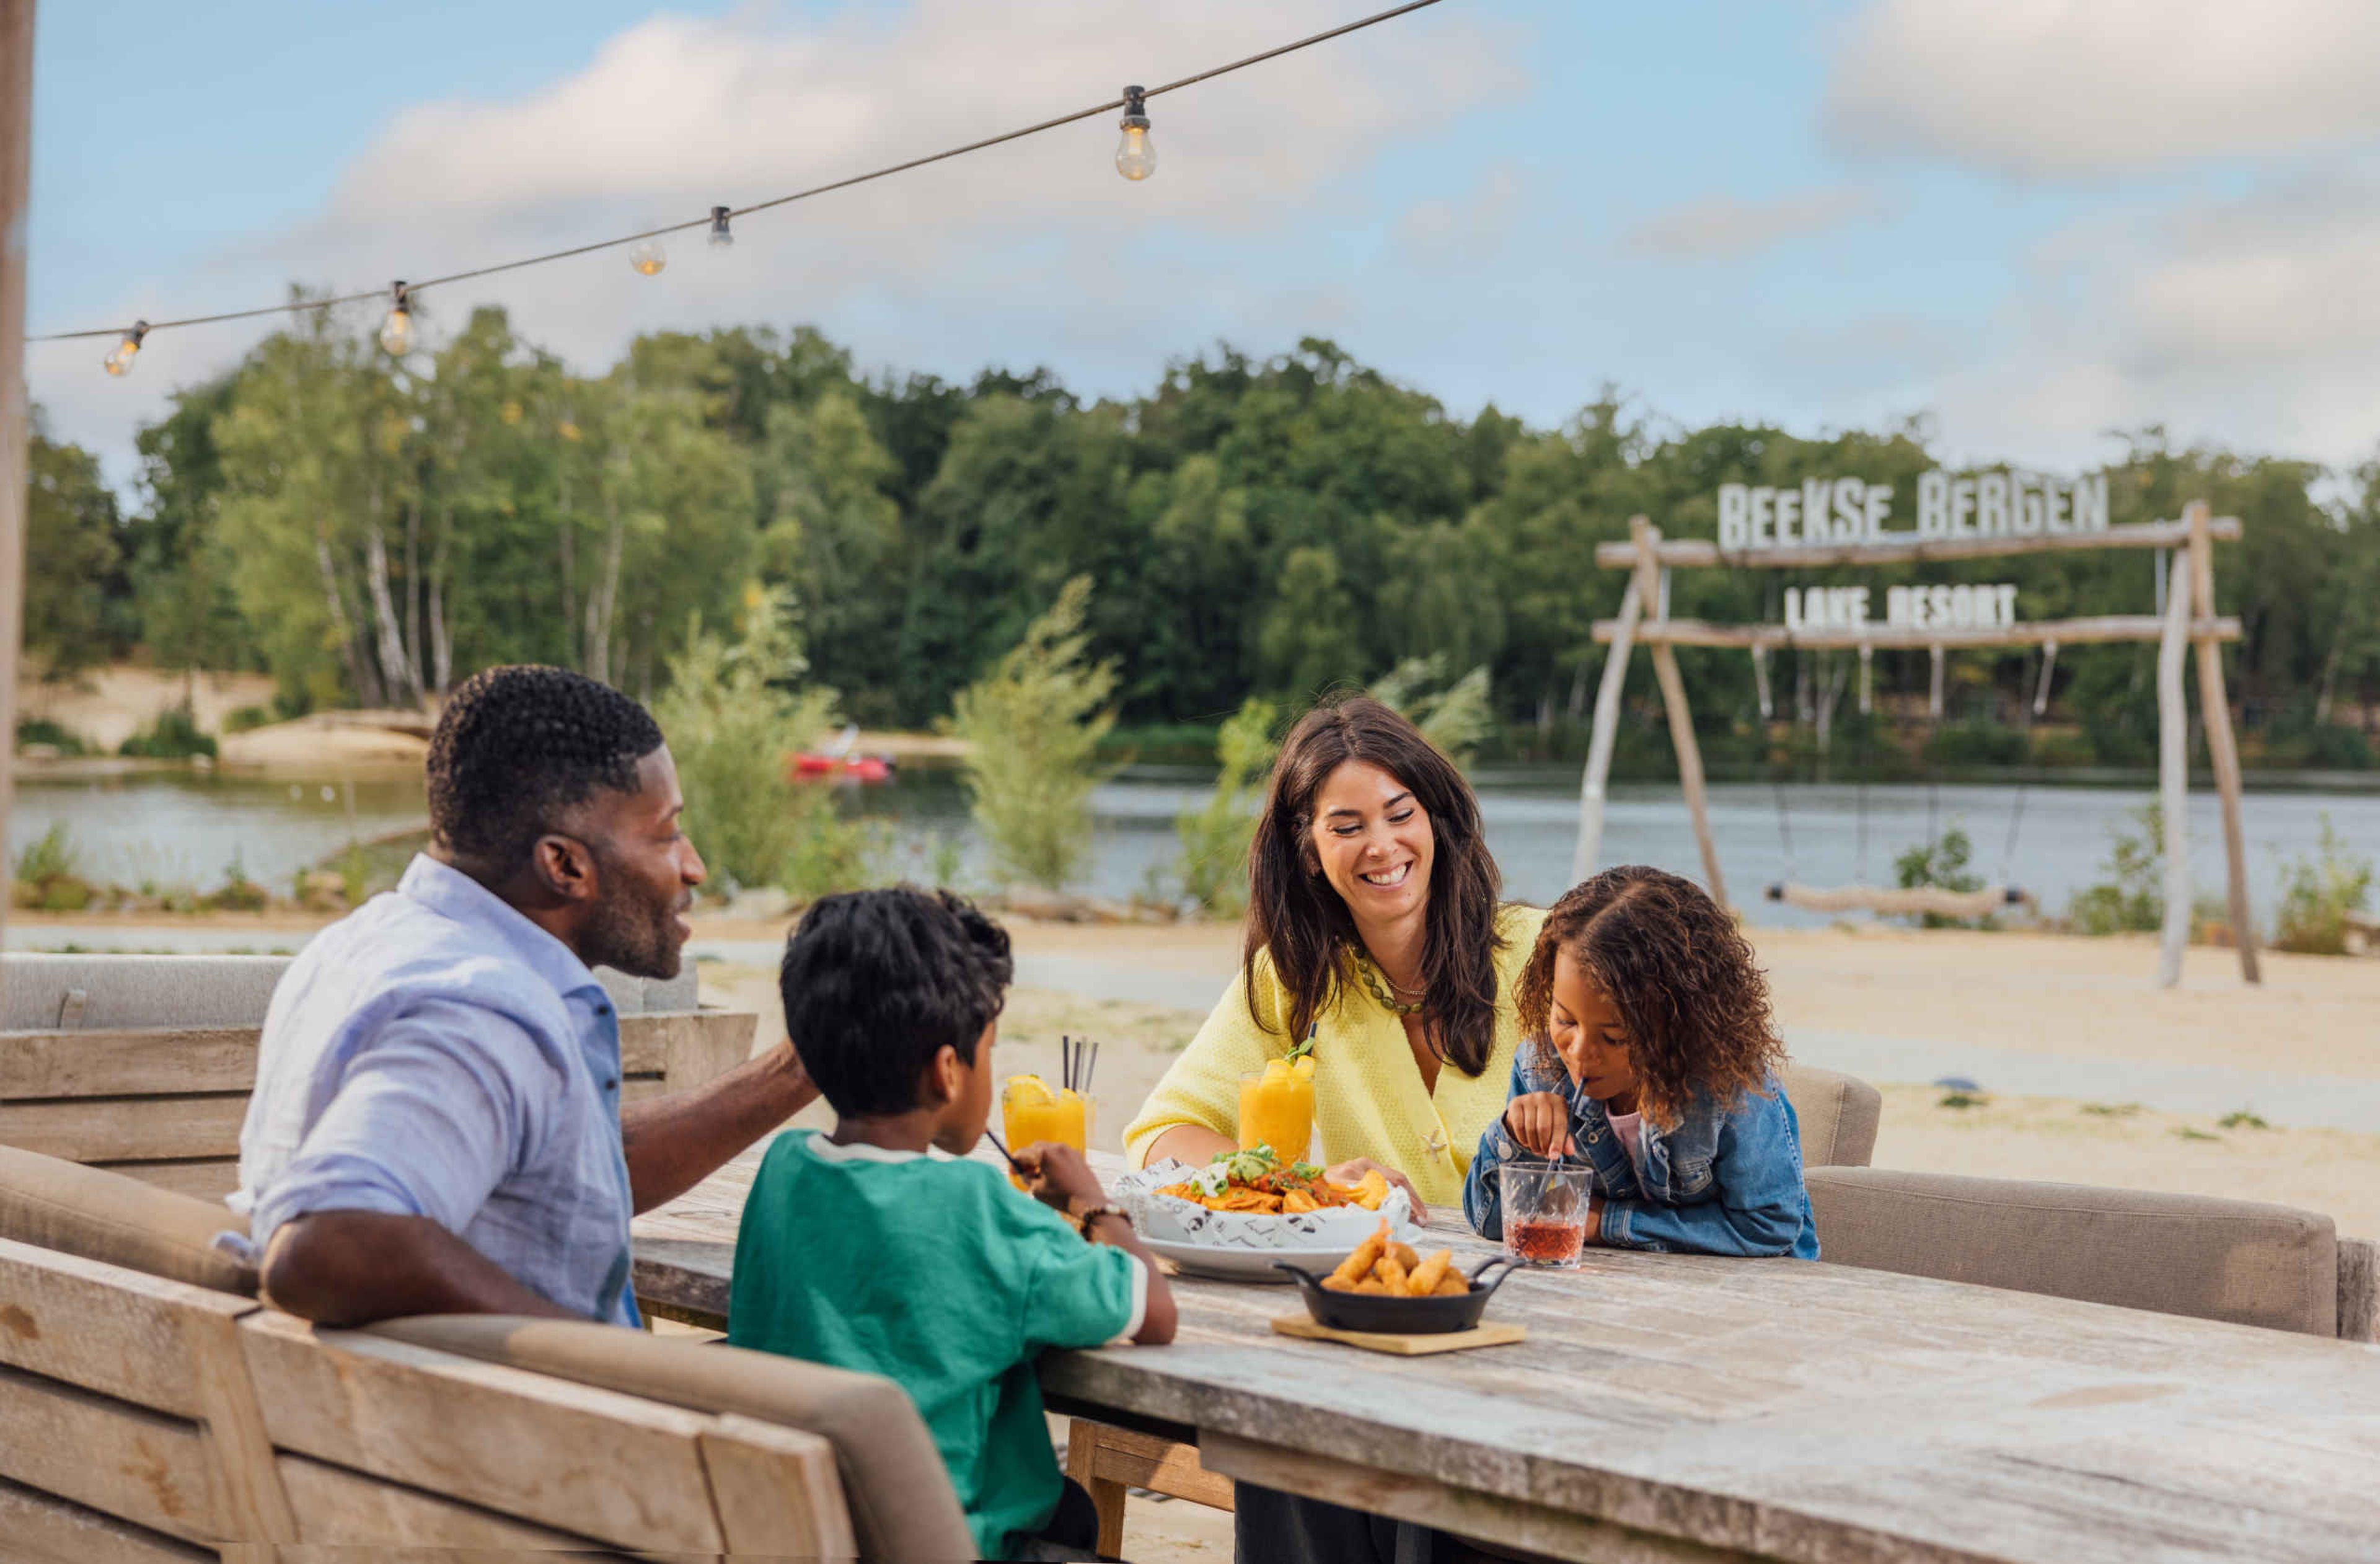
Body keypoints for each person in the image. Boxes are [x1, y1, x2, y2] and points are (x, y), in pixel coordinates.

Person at [232, 665, 818, 1327]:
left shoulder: (362, 947)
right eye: (666, 833)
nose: (694, 866)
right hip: (550, 1424)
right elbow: (328, 1243)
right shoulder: (481, 1012)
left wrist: (803, 1065)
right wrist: (599, 1362)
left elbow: (560, 1169)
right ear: (564, 865)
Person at [728, 887, 1176, 1563]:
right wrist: (1090, 1201)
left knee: (1071, 1513)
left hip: (810, 1537)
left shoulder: (782, 1173)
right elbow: (1153, 1313)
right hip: (946, 1543)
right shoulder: (974, 1206)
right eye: (988, 1050)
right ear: (947, 1071)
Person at [1123, 694, 1547, 1216]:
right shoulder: (1293, 976)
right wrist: (1308, 1183)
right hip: (1375, 1282)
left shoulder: (1543, 950)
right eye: (1347, 827)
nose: (1383, 845)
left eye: (1400, 814)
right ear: (1310, 852)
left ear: (1434, 820)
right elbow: (1160, 1136)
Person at [1464, 865, 1818, 1258]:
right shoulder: (1540, 1069)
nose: (1580, 1052)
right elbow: (1494, 1218)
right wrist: (1513, 1135)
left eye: (1615, 1037)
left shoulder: (1729, 1086)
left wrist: (1609, 1224)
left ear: (1680, 1025)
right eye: (1565, 1019)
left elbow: (1770, 1227)